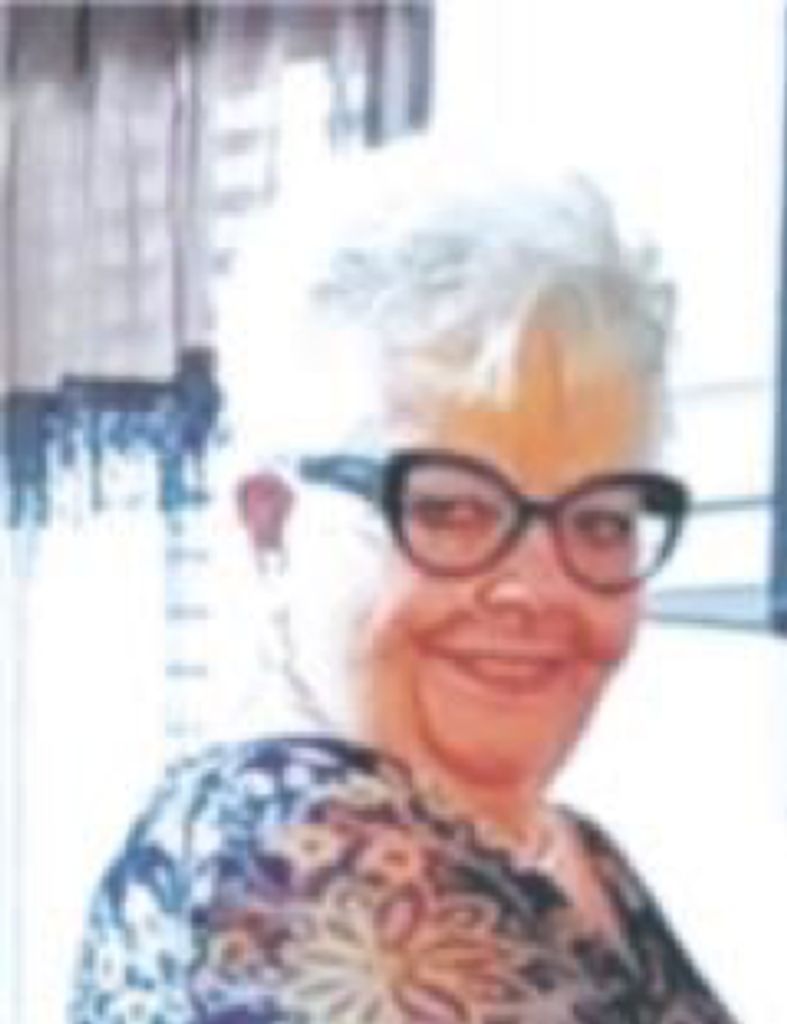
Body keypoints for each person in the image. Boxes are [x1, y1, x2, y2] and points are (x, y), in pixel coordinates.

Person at [70, 147, 737, 1023]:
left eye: (599, 520)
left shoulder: (567, 853)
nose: (535, 589)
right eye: (450, 509)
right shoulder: (291, 865)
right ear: (271, 523)